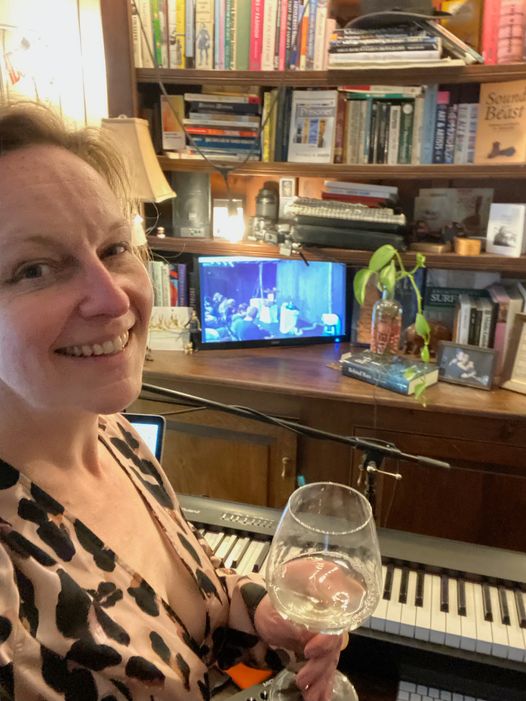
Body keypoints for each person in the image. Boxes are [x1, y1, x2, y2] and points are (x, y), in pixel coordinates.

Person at [0, 103, 343, 701]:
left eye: (114, 248)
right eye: (35, 269)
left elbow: (196, 634)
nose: (114, 300)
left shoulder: (110, 431)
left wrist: (263, 619)